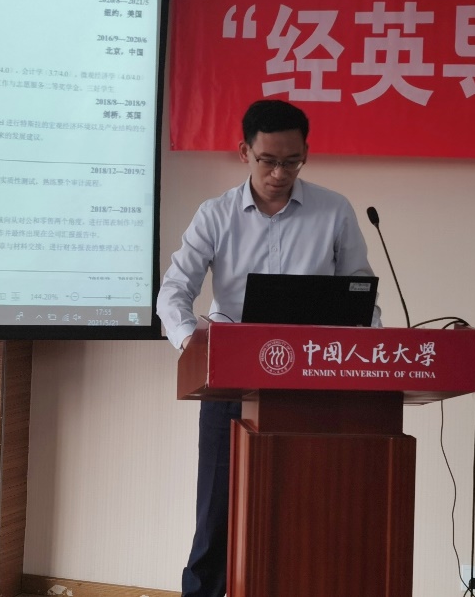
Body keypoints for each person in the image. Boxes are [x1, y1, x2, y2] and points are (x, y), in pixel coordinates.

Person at [156, 98, 380, 597]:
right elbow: (173, 292)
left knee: (307, 510)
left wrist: (365, 359)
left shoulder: (334, 211)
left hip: (313, 384)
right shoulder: (216, 215)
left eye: (292, 161)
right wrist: (193, 342)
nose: (280, 173)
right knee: (216, 514)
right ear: (245, 153)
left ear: (306, 154)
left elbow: (360, 295)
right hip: (230, 384)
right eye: (269, 161)